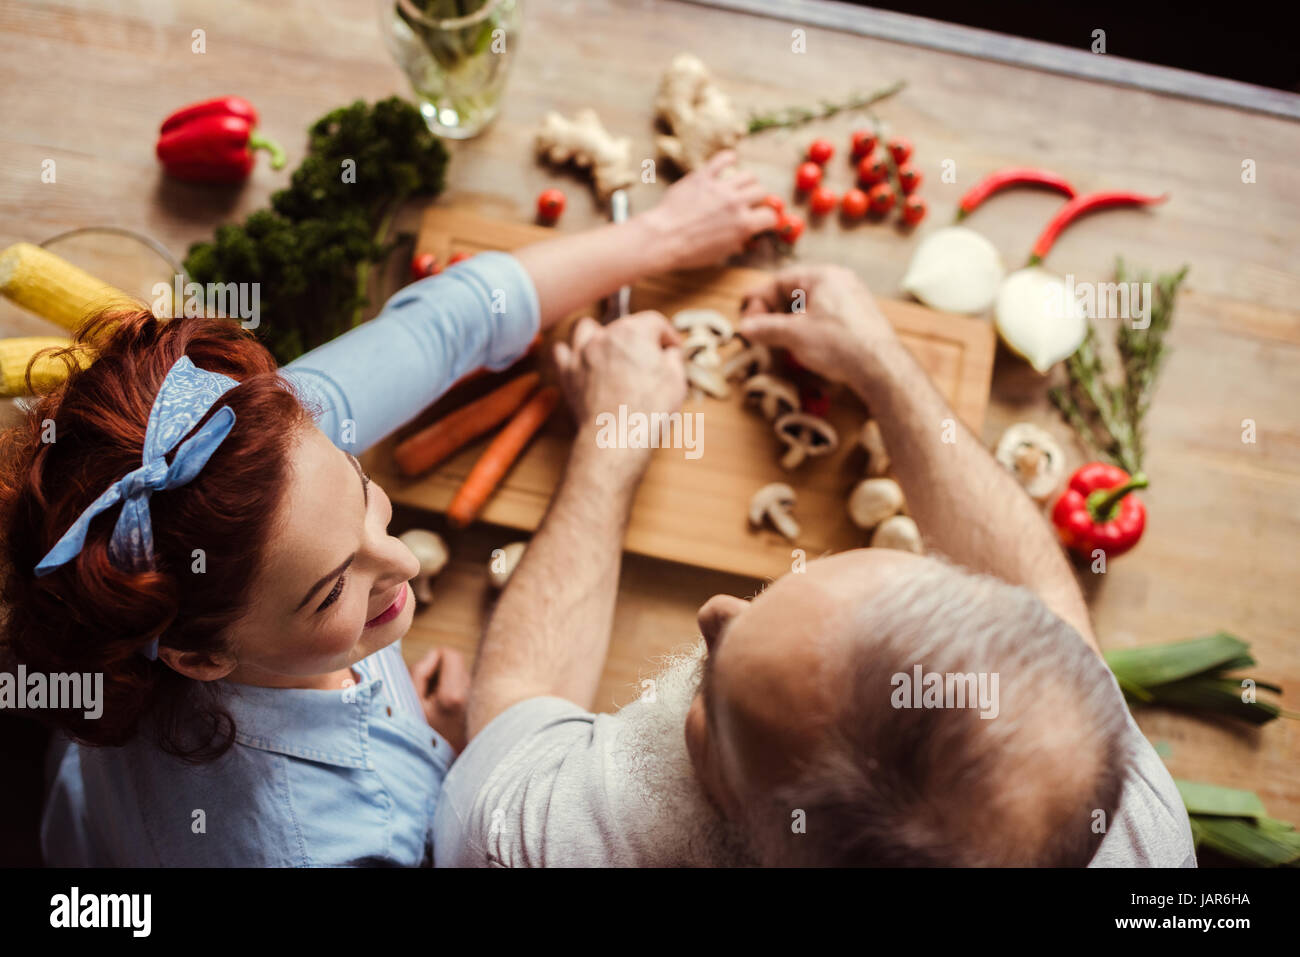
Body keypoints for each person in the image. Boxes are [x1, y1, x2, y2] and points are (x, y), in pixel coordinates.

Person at [0, 152, 778, 866]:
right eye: (331, 588)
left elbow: (450, 323)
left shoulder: (228, 460)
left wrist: (663, 233)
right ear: (202, 659)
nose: (403, 560)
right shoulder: (344, 847)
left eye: (360, 492)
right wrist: (445, 769)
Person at [432, 264, 1197, 867]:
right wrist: (883, 366)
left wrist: (611, 433)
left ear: (745, 822)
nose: (719, 611)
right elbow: (1040, 604)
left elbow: (513, 696)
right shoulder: (1136, 834)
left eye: (713, 690)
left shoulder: (521, 842)